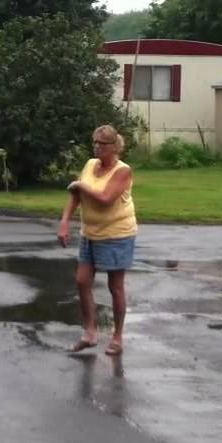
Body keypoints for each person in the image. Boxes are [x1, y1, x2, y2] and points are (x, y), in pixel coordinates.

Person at [57, 124, 137, 356]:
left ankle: (117, 336)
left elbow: (105, 199)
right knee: (82, 281)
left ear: (114, 147)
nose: (97, 147)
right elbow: (76, 195)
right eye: (95, 142)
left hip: (117, 235)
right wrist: (64, 222)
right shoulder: (91, 165)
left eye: (102, 144)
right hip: (90, 233)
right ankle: (90, 332)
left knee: (116, 286)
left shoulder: (123, 171)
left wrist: (81, 184)